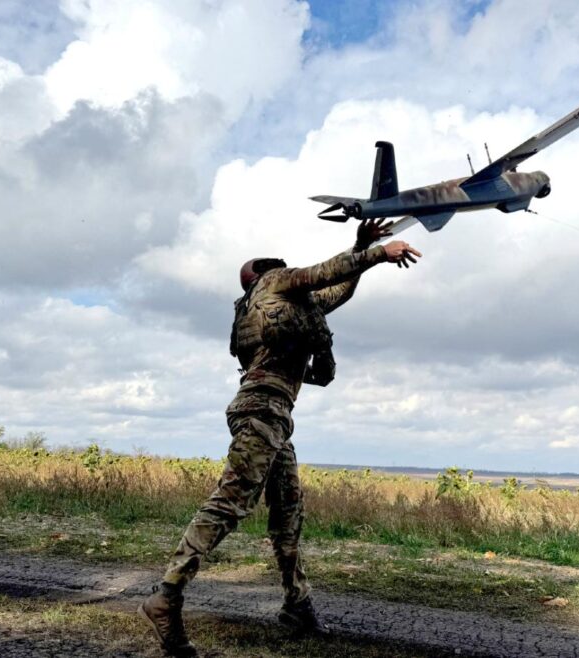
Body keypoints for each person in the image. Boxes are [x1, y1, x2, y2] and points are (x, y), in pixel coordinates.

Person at [138, 219, 421, 656]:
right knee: (231, 501)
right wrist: (377, 254)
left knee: (289, 512)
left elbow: (336, 289)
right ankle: (167, 595)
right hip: (260, 411)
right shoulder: (274, 284)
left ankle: (296, 604)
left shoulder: (295, 306)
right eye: (273, 267)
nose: (282, 268)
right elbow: (322, 274)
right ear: (260, 279)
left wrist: (360, 249)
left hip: (275, 418)